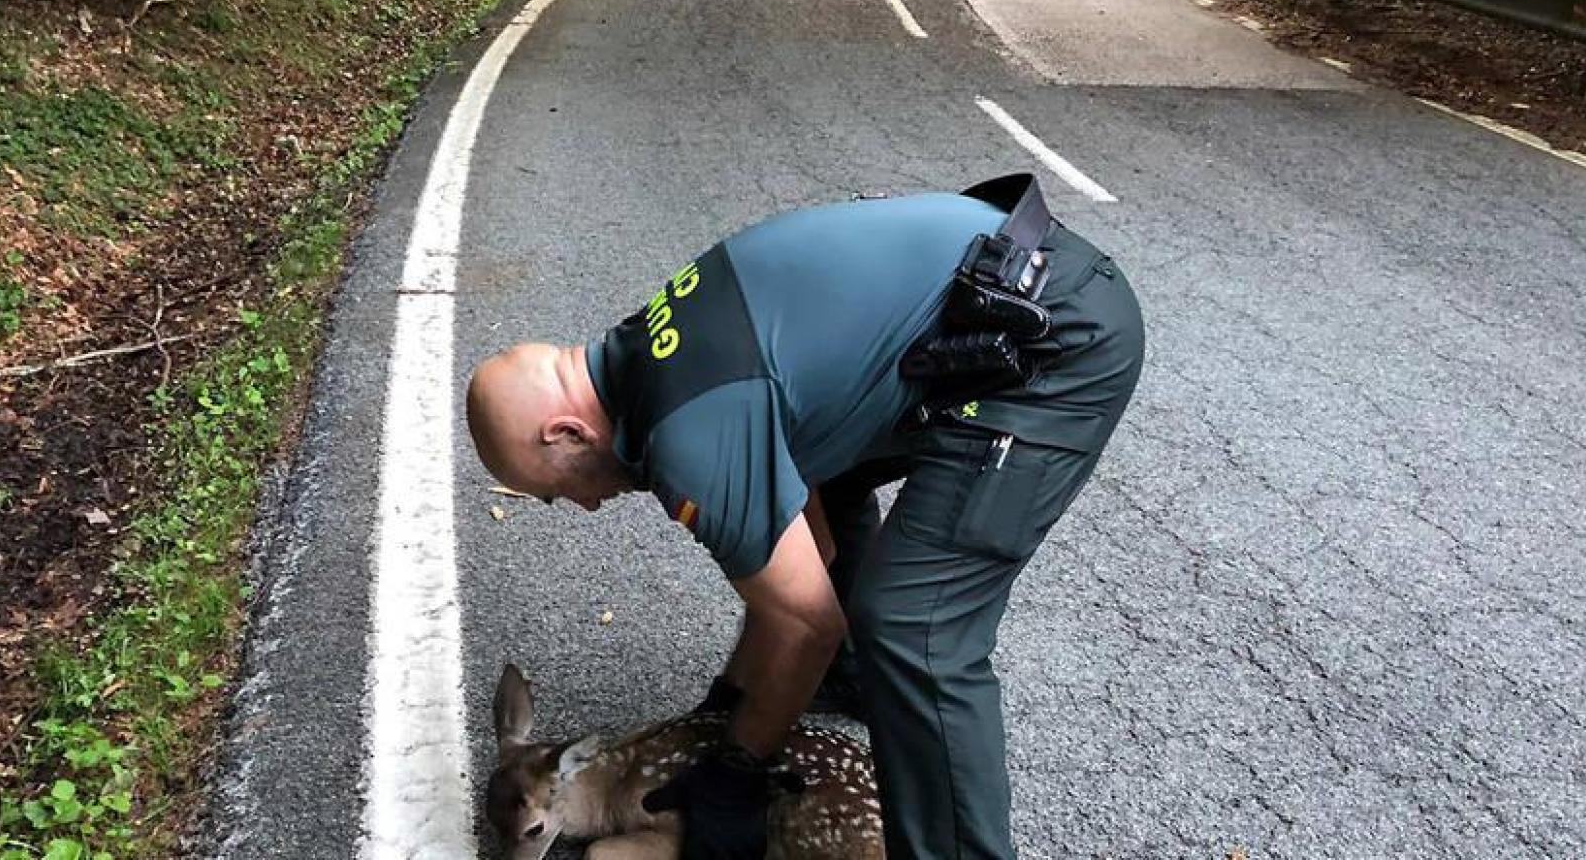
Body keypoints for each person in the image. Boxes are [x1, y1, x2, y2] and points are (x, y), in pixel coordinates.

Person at [466, 177, 1144, 859]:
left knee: (914, 625)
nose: (583, 505)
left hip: (1053, 340)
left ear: (565, 433)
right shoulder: (653, 351)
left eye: (556, 492)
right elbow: (802, 551)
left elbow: (803, 621)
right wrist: (731, 702)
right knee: (819, 480)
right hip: (995, 291)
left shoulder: (689, 439)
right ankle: (848, 679)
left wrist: (736, 768)